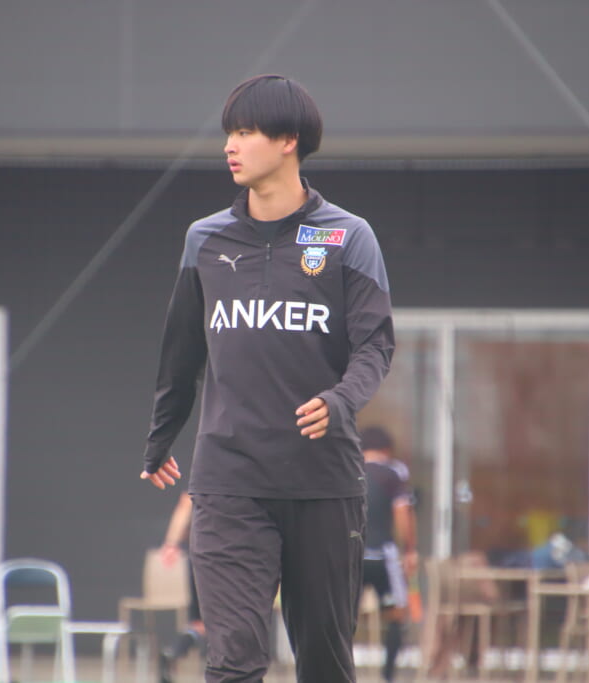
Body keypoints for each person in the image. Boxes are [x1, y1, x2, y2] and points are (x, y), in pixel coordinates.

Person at [139, 74, 394, 682]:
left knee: (325, 667)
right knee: (233, 662)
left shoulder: (348, 237)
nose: (231, 145)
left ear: (288, 141)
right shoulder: (205, 240)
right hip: (229, 481)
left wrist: (340, 400)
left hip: (324, 483)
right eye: (229, 132)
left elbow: (375, 345)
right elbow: (181, 353)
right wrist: (161, 436)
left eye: (247, 131)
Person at [360, 426, 417, 682]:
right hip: (384, 557)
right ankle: (387, 674)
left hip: (352, 557)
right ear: (386, 449)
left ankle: (338, 670)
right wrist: (410, 549)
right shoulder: (392, 473)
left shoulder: (349, 470)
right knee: (395, 613)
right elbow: (402, 513)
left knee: (343, 616)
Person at [157, 492, 205, 683]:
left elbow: (184, 506)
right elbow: (186, 503)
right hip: (223, 558)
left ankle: (174, 652)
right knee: (219, 622)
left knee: (200, 623)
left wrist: (171, 544)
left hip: (200, 554)